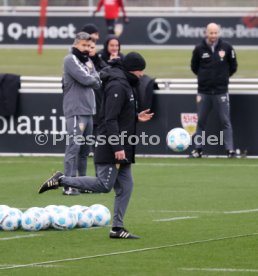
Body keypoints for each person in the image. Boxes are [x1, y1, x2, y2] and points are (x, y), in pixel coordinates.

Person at [38, 52, 154, 239]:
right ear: (133, 69)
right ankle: (61, 180)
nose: (142, 75)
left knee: (126, 186)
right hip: (111, 145)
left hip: (122, 144)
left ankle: (117, 229)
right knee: (104, 184)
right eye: (141, 71)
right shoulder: (118, 85)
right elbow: (109, 119)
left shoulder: (124, 83)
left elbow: (119, 116)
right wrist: (117, 147)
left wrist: (135, 117)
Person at [190, 22, 238, 158]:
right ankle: (198, 149)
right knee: (200, 122)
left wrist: (222, 78)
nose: (213, 35)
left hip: (221, 91)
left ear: (219, 33)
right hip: (204, 91)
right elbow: (194, 67)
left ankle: (230, 150)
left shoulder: (227, 47)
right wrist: (205, 78)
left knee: (225, 121)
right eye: (211, 33)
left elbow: (233, 66)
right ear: (206, 33)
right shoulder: (199, 48)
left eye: (215, 33)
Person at [62, 32, 101, 195]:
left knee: (85, 150)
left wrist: (94, 78)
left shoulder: (88, 61)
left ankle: (82, 183)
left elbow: (97, 81)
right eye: (84, 45)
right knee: (74, 147)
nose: (86, 48)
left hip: (88, 110)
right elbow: (88, 79)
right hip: (76, 109)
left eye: (89, 46)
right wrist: (94, 78)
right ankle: (68, 184)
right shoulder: (70, 59)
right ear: (76, 44)